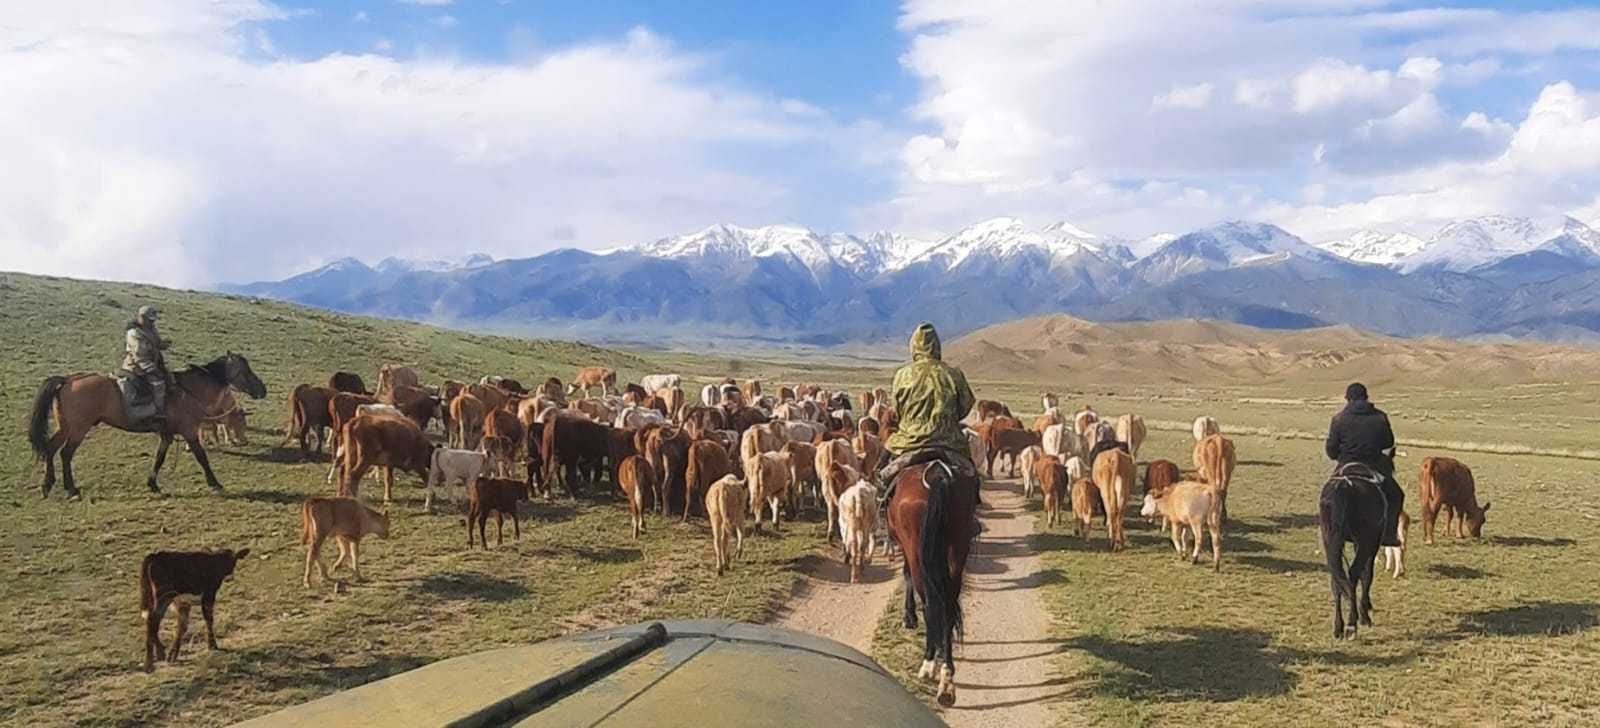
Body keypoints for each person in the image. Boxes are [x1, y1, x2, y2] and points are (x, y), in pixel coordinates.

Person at [877, 323, 979, 506]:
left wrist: (911, 420)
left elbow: (897, 409)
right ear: (937, 346)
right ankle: (972, 511)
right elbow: (966, 406)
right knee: (971, 476)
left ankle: (882, 509)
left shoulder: (903, 375)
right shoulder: (954, 374)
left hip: (908, 441)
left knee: (881, 474)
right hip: (950, 441)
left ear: (913, 347)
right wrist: (947, 419)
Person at [1325, 382, 1403, 547]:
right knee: (1396, 495)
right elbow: (1388, 442)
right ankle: (1389, 533)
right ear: (1366, 398)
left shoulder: (1338, 419)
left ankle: (1328, 529)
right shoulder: (1380, 417)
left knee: (1328, 494)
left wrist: (1339, 455)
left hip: (1346, 463)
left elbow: (1331, 450)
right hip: (1373, 465)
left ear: (1348, 399)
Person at [122, 305, 173, 424]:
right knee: (159, 384)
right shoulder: (134, 333)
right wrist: (153, 370)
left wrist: (164, 344)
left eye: (153, 320)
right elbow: (140, 356)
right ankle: (159, 414)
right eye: (149, 320)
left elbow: (156, 343)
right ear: (141, 317)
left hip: (151, 363)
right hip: (137, 367)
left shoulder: (151, 329)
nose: (152, 322)